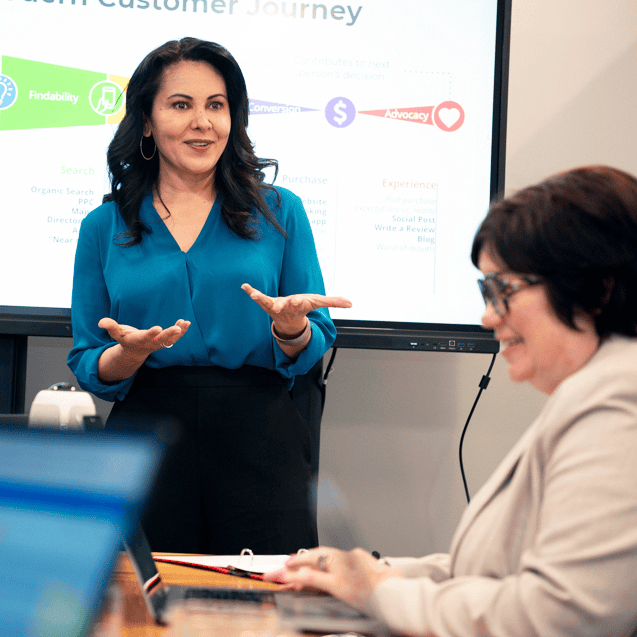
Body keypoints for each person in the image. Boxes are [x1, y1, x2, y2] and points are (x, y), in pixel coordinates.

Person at [266, 165, 637, 636]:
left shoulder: (619, 405)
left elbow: (559, 615)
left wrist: (378, 592)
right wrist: (369, 575)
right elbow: (492, 572)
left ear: (596, 292)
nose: (486, 317)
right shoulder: (597, 392)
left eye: (502, 291)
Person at [67, 37, 351, 555]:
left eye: (215, 106)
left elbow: (316, 336)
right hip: (147, 434)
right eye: (181, 105)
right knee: (143, 605)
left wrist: (291, 328)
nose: (203, 122)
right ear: (147, 122)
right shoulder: (101, 226)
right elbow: (88, 360)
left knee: (266, 608)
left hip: (260, 432)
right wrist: (125, 356)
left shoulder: (279, 210)